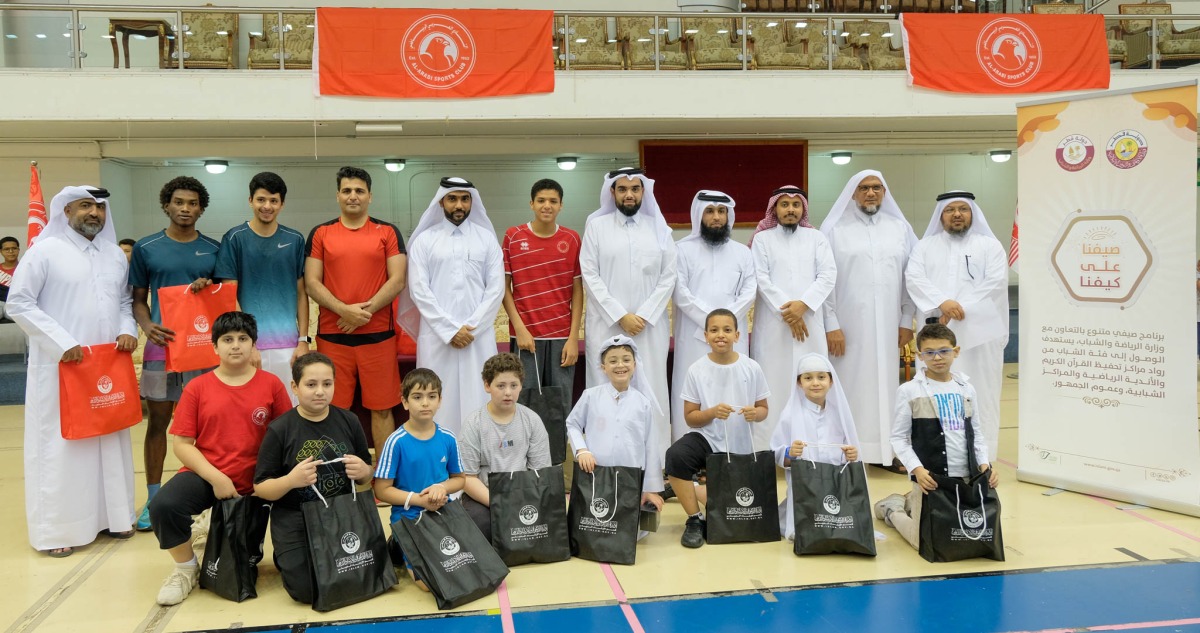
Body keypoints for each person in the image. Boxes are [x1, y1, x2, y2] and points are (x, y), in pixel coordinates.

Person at [7, 186, 139, 557]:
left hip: (106, 367)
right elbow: (19, 302)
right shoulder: (45, 251)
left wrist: (127, 330)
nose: (94, 213)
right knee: (61, 448)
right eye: (85, 206)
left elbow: (125, 302)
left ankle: (114, 518)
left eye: (98, 207)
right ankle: (56, 530)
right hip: (61, 366)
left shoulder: (114, 255)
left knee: (109, 441)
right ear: (65, 211)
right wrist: (62, 341)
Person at [147, 311, 292, 605]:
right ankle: (185, 568)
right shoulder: (197, 388)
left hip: (259, 481)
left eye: (243, 339)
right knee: (163, 506)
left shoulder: (272, 384)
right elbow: (182, 444)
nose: (235, 345)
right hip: (209, 475)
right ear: (214, 346)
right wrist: (216, 477)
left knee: (248, 558)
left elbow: (286, 437)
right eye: (227, 339)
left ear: (254, 345)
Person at [129, 176, 222, 531]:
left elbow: (222, 294)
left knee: (207, 426)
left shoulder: (214, 248)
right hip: (161, 347)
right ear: (166, 205)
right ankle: (153, 499)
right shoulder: (146, 247)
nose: (186, 209)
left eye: (193, 203)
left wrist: (208, 286)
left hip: (202, 349)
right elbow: (137, 299)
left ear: (201, 208)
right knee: (158, 422)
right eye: (179, 202)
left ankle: (205, 494)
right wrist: (147, 326)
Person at [253, 352, 373, 605]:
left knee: (364, 576)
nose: (320, 391)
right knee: (308, 591)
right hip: (296, 517)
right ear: (294, 387)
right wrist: (290, 480)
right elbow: (261, 488)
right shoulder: (280, 429)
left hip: (340, 516)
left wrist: (364, 472)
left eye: (327, 384)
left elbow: (366, 475)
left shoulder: (349, 421)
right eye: (311, 384)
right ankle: (289, 553)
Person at [820, 170, 917, 472]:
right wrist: (830, 323)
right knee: (848, 386)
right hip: (848, 326)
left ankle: (884, 452)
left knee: (888, 387)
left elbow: (911, 278)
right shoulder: (835, 230)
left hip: (889, 325)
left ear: (885, 193)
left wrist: (905, 318)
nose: (871, 193)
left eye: (877, 188)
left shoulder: (899, 228)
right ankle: (847, 450)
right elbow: (824, 280)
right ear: (853, 193)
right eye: (864, 188)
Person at [305, 166, 406, 454]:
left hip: (379, 337)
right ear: (338, 195)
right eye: (347, 191)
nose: (353, 196)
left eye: (359, 191)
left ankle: (383, 475)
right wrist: (342, 311)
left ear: (370, 196)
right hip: (333, 338)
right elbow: (312, 283)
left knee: (383, 409)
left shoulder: (387, 231)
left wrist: (362, 313)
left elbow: (398, 279)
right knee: (332, 410)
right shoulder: (321, 233)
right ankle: (338, 474)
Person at [874, 323, 998, 552]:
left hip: (966, 476)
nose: (937, 357)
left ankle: (911, 501)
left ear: (956, 351)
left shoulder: (967, 388)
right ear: (920, 356)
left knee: (966, 533)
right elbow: (899, 438)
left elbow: (976, 433)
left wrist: (984, 466)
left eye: (944, 350)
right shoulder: (910, 391)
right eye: (929, 353)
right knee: (921, 540)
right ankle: (892, 508)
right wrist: (918, 471)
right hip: (931, 477)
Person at [904, 191, 1009, 460]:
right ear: (941, 215)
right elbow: (914, 278)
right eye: (951, 210)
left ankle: (981, 456)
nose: (957, 214)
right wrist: (943, 302)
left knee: (980, 391)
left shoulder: (990, 245)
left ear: (972, 213)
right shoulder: (924, 246)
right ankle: (936, 452)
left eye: (963, 209)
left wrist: (957, 306)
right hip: (936, 332)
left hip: (979, 334)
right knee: (935, 389)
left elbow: (995, 282)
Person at [579, 168, 677, 455]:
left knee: (652, 389)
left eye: (635, 189)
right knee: (606, 390)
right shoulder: (596, 227)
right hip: (607, 325)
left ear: (643, 192)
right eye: (622, 189)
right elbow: (590, 274)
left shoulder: (659, 228)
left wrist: (644, 314)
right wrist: (621, 315)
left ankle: (656, 466)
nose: (629, 194)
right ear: (612, 193)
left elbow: (669, 275)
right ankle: (605, 461)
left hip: (650, 326)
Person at [398, 177, 504, 436]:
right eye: (453, 198)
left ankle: (480, 467)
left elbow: (496, 289)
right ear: (441, 201)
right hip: (437, 337)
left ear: (472, 202)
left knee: (479, 396)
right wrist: (449, 330)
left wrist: (471, 329)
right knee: (435, 397)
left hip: (476, 338)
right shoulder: (424, 241)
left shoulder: (487, 240)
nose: (459, 204)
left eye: (464, 199)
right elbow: (419, 290)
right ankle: (438, 462)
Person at [665, 309, 770, 548]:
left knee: (741, 509)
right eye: (714, 330)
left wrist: (756, 414)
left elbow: (764, 409)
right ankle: (694, 519)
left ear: (738, 334)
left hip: (740, 449)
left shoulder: (752, 367)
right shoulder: (696, 369)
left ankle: (686, 488)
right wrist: (712, 413)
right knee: (676, 456)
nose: (720, 335)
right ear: (705, 335)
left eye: (727, 330)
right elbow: (691, 418)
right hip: (707, 440)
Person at [748, 186, 837, 449]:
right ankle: (769, 447)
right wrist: (790, 312)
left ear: (803, 210)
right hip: (774, 326)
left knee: (811, 378)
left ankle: (812, 444)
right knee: (772, 383)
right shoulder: (763, 240)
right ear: (774, 209)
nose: (790, 210)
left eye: (795, 205)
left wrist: (803, 305)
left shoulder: (817, 238)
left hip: (809, 323)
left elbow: (828, 275)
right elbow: (760, 277)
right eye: (784, 205)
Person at [216, 172, 311, 399]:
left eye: (273, 201)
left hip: (288, 346)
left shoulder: (295, 239)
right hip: (249, 346)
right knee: (251, 413)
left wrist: (303, 341)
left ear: (282, 204)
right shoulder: (234, 238)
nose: (267, 206)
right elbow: (229, 295)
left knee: (289, 410)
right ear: (250, 200)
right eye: (261, 199)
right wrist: (246, 342)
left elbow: (301, 293)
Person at [671, 191, 757, 443]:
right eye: (710, 211)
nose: (716, 217)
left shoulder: (743, 252)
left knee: (735, 389)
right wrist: (712, 325)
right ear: (699, 215)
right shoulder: (682, 250)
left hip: (733, 336)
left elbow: (750, 290)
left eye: (722, 212)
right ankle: (689, 453)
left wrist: (724, 327)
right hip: (694, 335)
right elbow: (680, 292)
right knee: (693, 392)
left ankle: (736, 451)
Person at [373, 368, 465, 591]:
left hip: (444, 513)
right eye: (417, 397)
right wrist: (419, 500)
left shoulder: (448, 438)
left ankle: (399, 547)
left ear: (440, 401)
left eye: (431, 396)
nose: (425, 403)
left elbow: (460, 480)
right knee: (429, 584)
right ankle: (398, 542)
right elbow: (382, 490)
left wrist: (440, 488)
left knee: (463, 567)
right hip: (409, 516)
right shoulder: (396, 442)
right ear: (404, 402)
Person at [567, 335, 666, 538]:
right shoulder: (590, 396)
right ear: (603, 367)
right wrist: (581, 449)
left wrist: (650, 489)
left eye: (626, 359)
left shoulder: (643, 403)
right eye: (613, 361)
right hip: (597, 476)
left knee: (628, 534)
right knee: (596, 527)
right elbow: (573, 424)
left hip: (630, 480)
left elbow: (650, 447)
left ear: (635, 364)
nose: (620, 365)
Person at [501, 178, 583, 421]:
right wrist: (520, 329)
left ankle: (556, 459)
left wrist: (573, 337)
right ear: (531, 204)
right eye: (541, 200)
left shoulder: (572, 238)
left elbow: (577, 290)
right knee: (524, 403)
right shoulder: (513, 236)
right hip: (525, 338)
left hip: (561, 338)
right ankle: (526, 459)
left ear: (561, 206)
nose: (547, 205)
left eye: (553, 201)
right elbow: (504, 288)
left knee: (560, 405)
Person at [458, 353, 553, 536]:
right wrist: (498, 502)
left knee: (552, 522)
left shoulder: (532, 420)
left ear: (521, 386)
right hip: (485, 495)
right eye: (500, 386)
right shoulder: (474, 424)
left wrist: (521, 500)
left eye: (513, 385)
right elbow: (468, 478)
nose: (508, 392)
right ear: (487, 385)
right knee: (481, 525)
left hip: (525, 493)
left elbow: (540, 472)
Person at [769, 353, 859, 541]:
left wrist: (849, 454)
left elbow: (848, 451)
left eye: (821, 377)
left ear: (831, 381)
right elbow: (775, 450)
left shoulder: (839, 414)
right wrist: (789, 453)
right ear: (799, 383)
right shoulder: (790, 415)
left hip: (834, 484)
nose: (815, 383)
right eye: (808, 378)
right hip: (805, 487)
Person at [0, 235, 19, 304]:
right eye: (7, 249)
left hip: (17, 305)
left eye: (14, 248)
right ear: (1, 251)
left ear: (18, 250)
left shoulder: (25, 269)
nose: (11, 251)